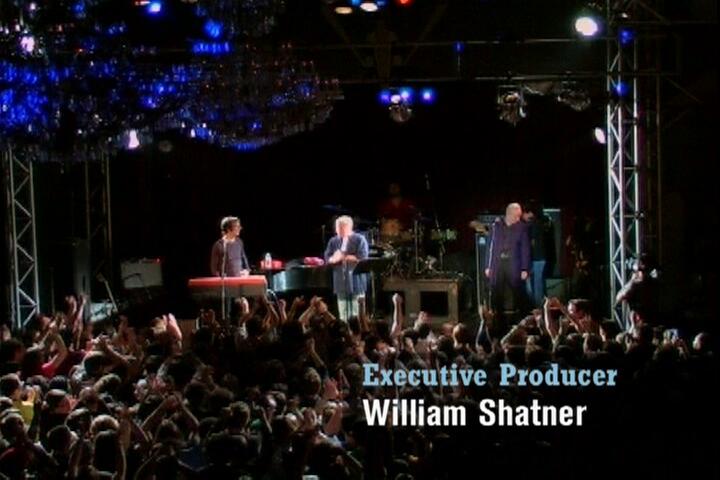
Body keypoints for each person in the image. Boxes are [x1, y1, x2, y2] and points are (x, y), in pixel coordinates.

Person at [484, 203, 531, 331]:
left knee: (518, 292)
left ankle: (524, 321)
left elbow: (525, 248)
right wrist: (488, 266)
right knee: (497, 293)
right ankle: (498, 323)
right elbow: (490, 246)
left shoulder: (522, 228)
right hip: (498, 264)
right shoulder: (496, 226)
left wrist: (525, 268)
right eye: (516, 216)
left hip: (513, 264)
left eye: (519, 216)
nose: (518, 218)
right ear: (509, 214)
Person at [324, 216, 369, 321]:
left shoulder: (359, 239)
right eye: (337, 228)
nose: (338, 230)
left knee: (357, 314)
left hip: (356, 283)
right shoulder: (333, 241)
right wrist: (333, 259)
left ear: (349, 227)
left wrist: (344, 257)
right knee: (343, 314)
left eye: (341, 227)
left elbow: (363, 257)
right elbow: (327, 257)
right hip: (340, 283)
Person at [522, 201, 555, 307]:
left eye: (524, 213)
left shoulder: (533, 225)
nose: (522, 216)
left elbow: (531, 244)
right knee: (538, 284)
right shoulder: (540, 223)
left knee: (536, 285)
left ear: (530, 213)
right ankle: (540, 307)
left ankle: (538, 307)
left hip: (536, 258)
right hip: (541, 257)